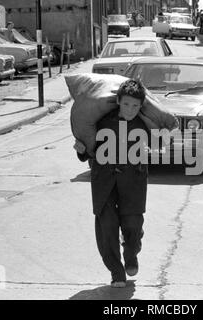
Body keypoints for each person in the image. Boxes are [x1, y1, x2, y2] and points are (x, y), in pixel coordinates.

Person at [75, 80, 149, 289]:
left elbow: (156, 147)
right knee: (106, 227)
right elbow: (87, 151)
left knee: (133, 226)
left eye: (135, 106)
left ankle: (132, 253)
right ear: (118, 101)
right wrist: (81, 150)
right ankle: (116, 272)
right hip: (103, 181)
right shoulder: (103, 122)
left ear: (141, 107)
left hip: (133, 182)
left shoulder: (143, 125)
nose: (130, 110)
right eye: (126, 104)